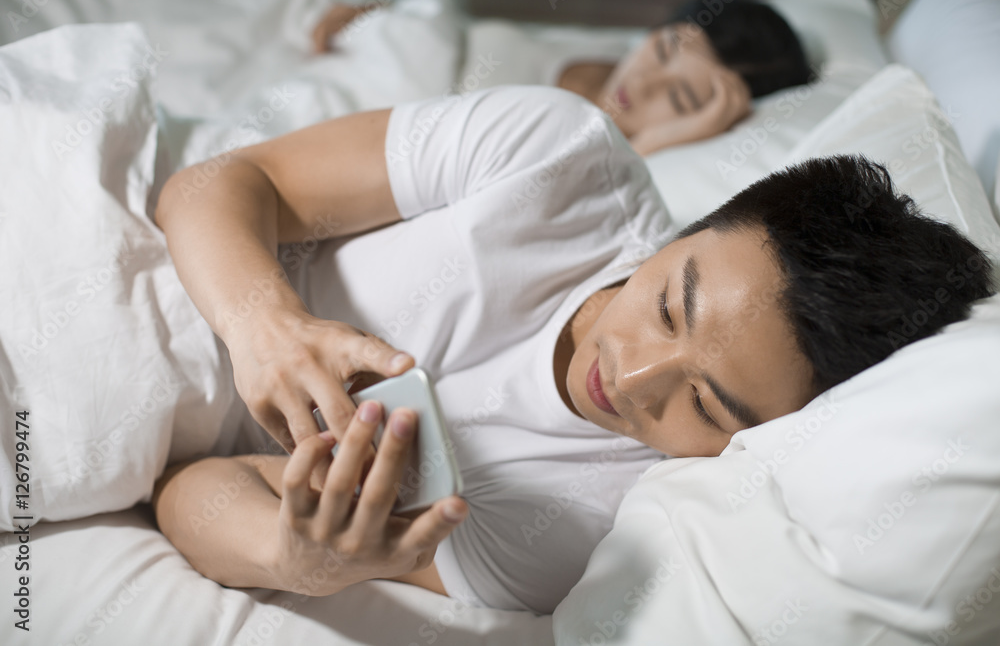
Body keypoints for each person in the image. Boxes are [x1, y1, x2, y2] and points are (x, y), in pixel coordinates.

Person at [150, 85, 994, 615]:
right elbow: (209, 186)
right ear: (691, 228)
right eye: (668, 304)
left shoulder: (581, 532)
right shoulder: (555, 156)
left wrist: (297, 560)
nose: (629, 377)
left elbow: (185, 494)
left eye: (704, 404)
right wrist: (265, 325)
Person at [311, 0, 813, 156]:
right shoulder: (606, 47)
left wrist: (673, 134)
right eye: (661, 49)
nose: (641, 82)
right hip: (344, 57)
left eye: (679, 98)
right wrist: (379, 13)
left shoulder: (592, 146)